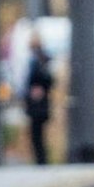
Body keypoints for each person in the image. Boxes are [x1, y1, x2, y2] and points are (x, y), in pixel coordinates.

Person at [22, 33, 55, 165]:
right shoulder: (45, 59)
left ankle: (40, 160)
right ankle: (42, 160)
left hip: (36, 103)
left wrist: (36, 89)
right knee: (40, 133)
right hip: (43, 102)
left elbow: (32, 80)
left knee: (36, 134)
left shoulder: (35, 60)